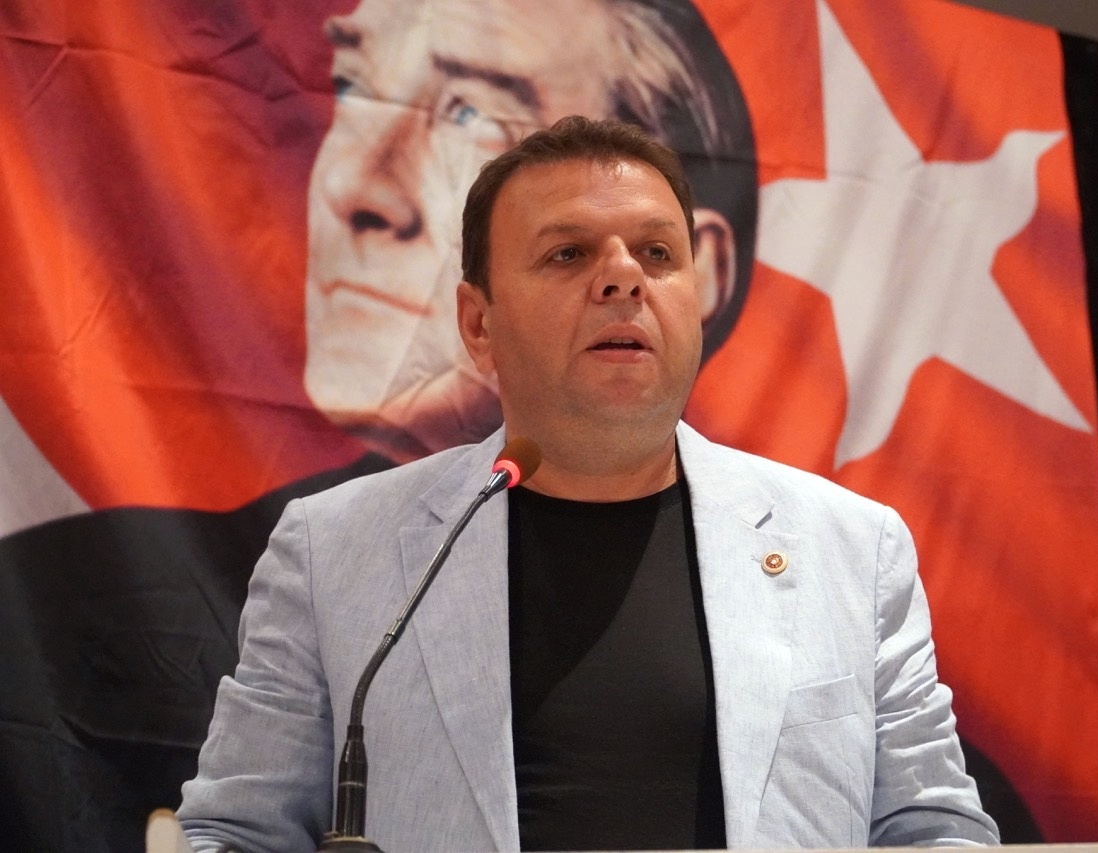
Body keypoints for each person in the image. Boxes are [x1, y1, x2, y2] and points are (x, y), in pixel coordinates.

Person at [177, 115, 999, 851]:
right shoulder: (332, 552)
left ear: (699, 294)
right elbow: (235, 833)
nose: (622, 278)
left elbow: (935, 831)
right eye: (568, 253)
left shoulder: (852, 549)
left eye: (657, 253)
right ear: (479, 323)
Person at [302, 0, 756, 463]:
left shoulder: (800, 513)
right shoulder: (320, 516)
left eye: (472, 115)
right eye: (352, 87)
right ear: (477, 322)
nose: (350, 187)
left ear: (702, 277)